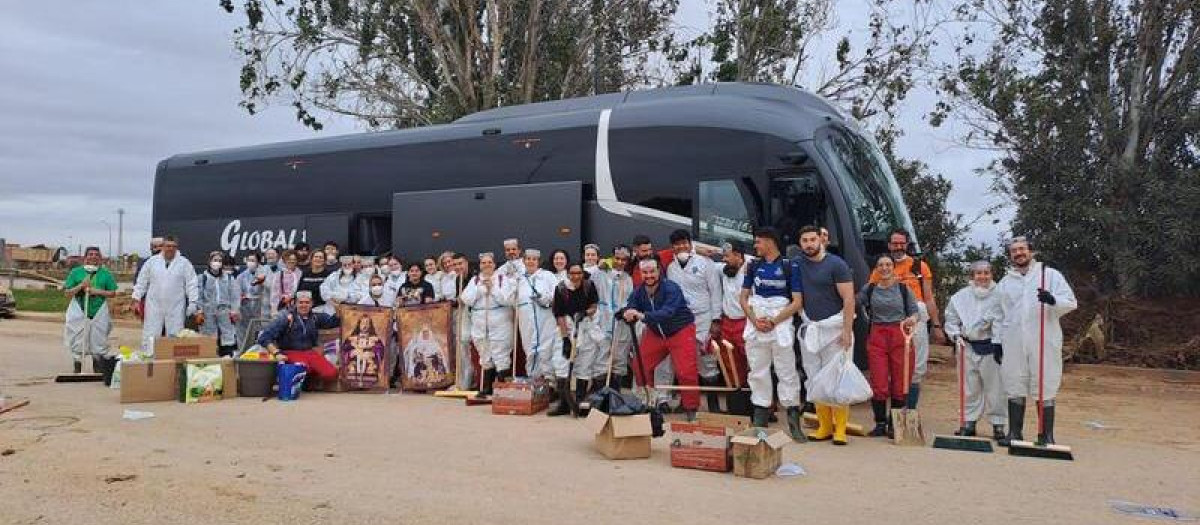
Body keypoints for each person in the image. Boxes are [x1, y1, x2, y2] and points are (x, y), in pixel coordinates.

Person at [995, 237, 1077, 446]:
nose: (1018, 253)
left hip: (1043, 339)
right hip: (1013, 341)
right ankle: (1015, 433)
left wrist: (1052, 300)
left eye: (1022, 249)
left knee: (1045, 382)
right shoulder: (1005, 283)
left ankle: (1045, 435)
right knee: (1014, 382)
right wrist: (997, 341)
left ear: (1031, 252)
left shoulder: (1049, 276)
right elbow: (998, 314)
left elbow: (1071, 302)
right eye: (1014, 251)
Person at [738, 228, 805, 439]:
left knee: (786, 371)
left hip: (780, 323)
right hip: (756, 322)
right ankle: (760, 419)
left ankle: (794, 421)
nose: (756, 246)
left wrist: (774, 321)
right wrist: (754, 319)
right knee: (757, 370)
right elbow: (743, 298)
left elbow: (797, 302)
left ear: (770, 242)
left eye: (758, 242)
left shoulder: (789, 266)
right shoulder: (753, 266)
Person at [795, 225, 856, 445]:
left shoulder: (836, 265)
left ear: (821, 240)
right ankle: (824, 427)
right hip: (811, 329)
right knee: (815, 377)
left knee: (837, 378)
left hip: (836, 330)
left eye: (813, 239)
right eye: (805, 240)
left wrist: (847, 332)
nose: (809, 244)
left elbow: (849, 299)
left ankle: (840, 430)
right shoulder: (796, 264)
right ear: (800, 243)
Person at [870, 228, 943, 410]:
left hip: (915, 320)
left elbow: (928, 298)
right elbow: (870, 294)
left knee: (916, 368)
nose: (898, 247)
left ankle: (909, 412)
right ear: (889, 245)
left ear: (907, 244)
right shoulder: (880, 268)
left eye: (902, 243)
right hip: (889, 323)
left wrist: (936, 325)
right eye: (895, 243)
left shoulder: (919, 267)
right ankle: (892, 414)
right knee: (894, 368)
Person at [622, 258, 700, 421]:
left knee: (686, 371)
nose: (649, 275)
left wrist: (642, 316)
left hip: (680, 331)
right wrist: (626, 312)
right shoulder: (639, 291)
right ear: (641, 274)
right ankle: (649, 399)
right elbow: (630, 305)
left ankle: (691, 408)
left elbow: (668, 312)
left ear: (659, 272)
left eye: (652, 272)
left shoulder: (672, 288)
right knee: (639, 365)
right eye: (645, 272)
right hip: (656, 333)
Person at [662, 229, 725, 412]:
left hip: (704, 318)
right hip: (682, 321)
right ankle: (687, 403)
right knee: (685, 361)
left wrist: (716, 319)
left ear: (690, 244)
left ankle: (714, 407)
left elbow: (715, 291)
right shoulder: (671, 268)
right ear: (672, 247)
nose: (681, 246)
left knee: (707, 361)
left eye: (684, 243)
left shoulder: (705, 263)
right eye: (677, 244)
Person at [944, 260, 1006, 440]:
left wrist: (998, 342)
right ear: (972, 276)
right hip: (967, 346)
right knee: (969, 387)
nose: (983, 277)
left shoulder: (999, 296)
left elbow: (1003, 320)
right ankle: (968, 421)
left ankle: (998, 424)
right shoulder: (960, 297)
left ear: (991, 275)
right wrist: (955, 335)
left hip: (992, 346)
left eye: (987, 273)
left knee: (996, 388)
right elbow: (951, 319)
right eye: (979, 273)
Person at [860, 255, 920, 438]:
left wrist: (912, 319)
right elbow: (853, 303)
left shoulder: (903, 289)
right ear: (876, 269)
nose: (884, 268)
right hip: (877, 335)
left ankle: (895, 423)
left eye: (888, 265)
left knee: (900, 381)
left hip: (900, 335)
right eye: (880, 265)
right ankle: (880, 423)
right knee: (878, 382)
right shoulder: (869, 289)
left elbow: (915, 312)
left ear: (893, 267)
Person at [256, 291, 341, 388]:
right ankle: (293, 377)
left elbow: (334, 322)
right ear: (295, 303)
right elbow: (264, 337)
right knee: (302, 367)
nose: (304, 305)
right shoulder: (286, 317)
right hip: (290, 352)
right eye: (301, 302)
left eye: (307, 302)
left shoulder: (315, 317)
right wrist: (276, 353)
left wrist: (338, 308)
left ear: (311, 304)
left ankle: (307, 379)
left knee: (331, 373)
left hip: (309, 352)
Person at [461, 252, 515, 398]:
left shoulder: (503, 279)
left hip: (500, 321)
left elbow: (508, 300)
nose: (487, 265)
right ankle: (486, 388)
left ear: (494, 264)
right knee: (485, 355)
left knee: (501, 354)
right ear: (480, 265)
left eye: (489, 262)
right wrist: (480, 290)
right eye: (484, 263)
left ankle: (502, 388)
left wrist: (493, 289)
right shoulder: (475, 280)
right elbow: (465, 299)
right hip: (479, 322)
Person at [132, 236, 199, 355]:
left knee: (175, 335)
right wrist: (136, 299)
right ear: (163, 247)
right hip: (154, 305)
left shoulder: (184, 263)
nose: (170, 249)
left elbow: (192, 283)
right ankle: (149, 360)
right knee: (151, 334)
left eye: (173, 246)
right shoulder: (152, 262)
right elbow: (142, 282)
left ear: (177, 248)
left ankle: (173, 363)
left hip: (176, 306)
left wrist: (193, 302)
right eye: (168, 246)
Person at [552, 261, 600, 416]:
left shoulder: (588, 286)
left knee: (584, 365)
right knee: (562, 364)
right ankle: (564, 403)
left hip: (585, 326)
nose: (575, 276)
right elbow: (558, 314)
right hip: (567, 326)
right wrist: (565, 338)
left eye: (578, 273)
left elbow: (594, 306)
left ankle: (579, 401)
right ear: (568, 274)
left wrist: (586, 313)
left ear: (582, 274)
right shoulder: (560, 289)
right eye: (572, 273)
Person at [63, 247, 119, 374]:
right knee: (78, 337)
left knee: (98, 339)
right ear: (85, 257)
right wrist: (81, 286)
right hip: (79, 309)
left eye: (96, 255)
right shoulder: (76, 273)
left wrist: (96, 291)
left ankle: (98, 367)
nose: (93, 257)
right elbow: (67, 292)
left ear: (100, 258)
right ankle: (77, 366)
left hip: (98, 310)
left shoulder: (105, 274)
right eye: (90, 254)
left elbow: (112, 292)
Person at [589, 246, 635, 390]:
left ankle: (615, 395)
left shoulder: (628, 279)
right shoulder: (600, 273)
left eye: (624, 259)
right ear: (612, 257)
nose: (620, 262)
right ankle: (599, 394)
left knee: (619, 358)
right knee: (602, 357)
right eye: (617, 258)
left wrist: (625, 311)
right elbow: (589, 284)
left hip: (620, 322)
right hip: (603, 320)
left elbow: (630, 300)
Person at [514, 249, 562, 381]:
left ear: (538, 262)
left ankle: (549, 382)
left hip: (545, 318)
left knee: (546, 350)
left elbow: (558, 295)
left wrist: (543, 298)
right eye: (528, 259)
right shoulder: (518, 279)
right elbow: (510, 298)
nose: (531, 262)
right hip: (526, 320)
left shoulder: (548, 276)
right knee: (529, 349)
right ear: (523, 261)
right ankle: (532, 380)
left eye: (534, 259)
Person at [717, 241, 752, 389]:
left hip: (746, 322)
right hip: (727, 323)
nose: (723, 260)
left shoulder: (752, 269)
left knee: (753, 361)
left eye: (727, 256)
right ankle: (738, 398)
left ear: (738, 256)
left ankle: (764, 404)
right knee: (730, 362)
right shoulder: (724, 269)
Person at [197, 252, 242, 356]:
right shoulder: (203, 278)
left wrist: (234, 310)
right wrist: (199, 311)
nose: (217, 263)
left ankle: (227, 357)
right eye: (215, 260)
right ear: (209, 262)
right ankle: (209, 357)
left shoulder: (229, 278)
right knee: (208, 336)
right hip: (207, 311)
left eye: (219, 261)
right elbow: (198, 296)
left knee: (228, 334)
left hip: (225, 310)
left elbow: (235, 296)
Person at [236, 251, 270, 348]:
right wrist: (240, 297)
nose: (250, 262)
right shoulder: (241, 276)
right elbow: (236, 292)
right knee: (243, 332)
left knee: (260, 332)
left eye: (253, 260)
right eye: (249, 260)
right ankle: (242, 353)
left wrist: (263, 282)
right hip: (245, 308)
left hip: (262, 308)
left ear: (258, 262)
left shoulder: (265, 273)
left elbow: (272, 288)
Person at [268, 250, 303, 315]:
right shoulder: (278, 275)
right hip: (283, 308)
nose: (292, 261)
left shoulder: (301, 274)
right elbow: (274, 293)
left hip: (298, 307)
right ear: (284, 260)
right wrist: (274, 310)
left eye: (294, 259)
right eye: (289, 259)